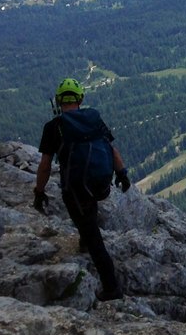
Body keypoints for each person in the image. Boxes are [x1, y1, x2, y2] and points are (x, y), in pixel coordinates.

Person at [32, 77, 131, 301]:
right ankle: (84, 242)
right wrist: (123, 175)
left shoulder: (54, 127)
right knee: (89, 214)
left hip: (75, 188)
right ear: (80, 99)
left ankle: (112, 287)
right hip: (99, 182)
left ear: (58, 100)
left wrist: (39, 192)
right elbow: (111, 149)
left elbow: (45, 166)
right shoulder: (94, 119)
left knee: (93, 235)